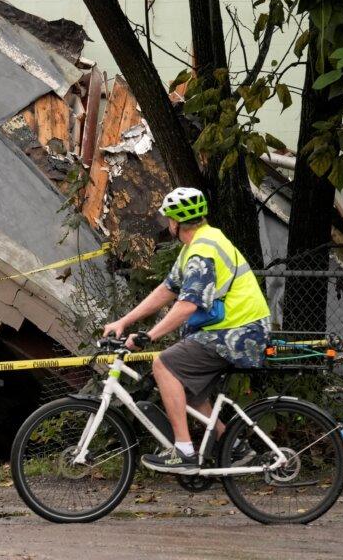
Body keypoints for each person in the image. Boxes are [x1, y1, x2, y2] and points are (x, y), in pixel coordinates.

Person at [102, 187, 270, 474]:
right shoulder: (197, 245)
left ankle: (183, 451)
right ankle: (232, 443)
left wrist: (149, 336)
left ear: (175, 222)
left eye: (168, 218)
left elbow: (187, 305)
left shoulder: (202, 251)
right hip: (232, 329)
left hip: (240, 333)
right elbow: (168, 289)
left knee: (164, 364)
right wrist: (124, 321)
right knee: (184, 385)